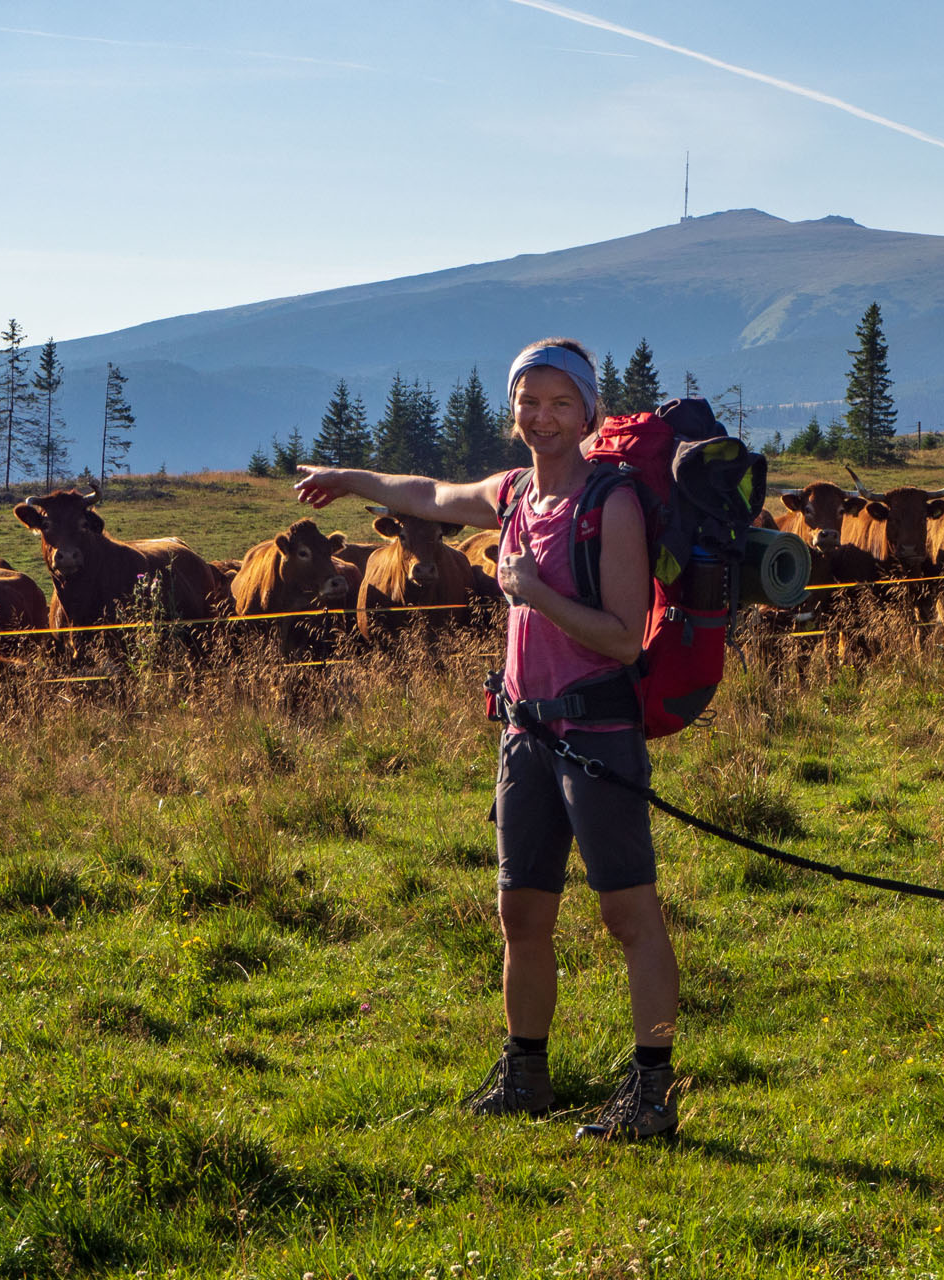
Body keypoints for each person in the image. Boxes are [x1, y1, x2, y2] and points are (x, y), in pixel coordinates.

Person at [292, 337, 680, 1140]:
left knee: (629, 916)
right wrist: (350, 477)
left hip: (598, 730)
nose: (541, 417)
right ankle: (525, 1075)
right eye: (527, 402)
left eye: (559, 403)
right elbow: (430, 491)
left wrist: (534, 593)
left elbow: (622, 640)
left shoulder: (610, 504)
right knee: (520, 914)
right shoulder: (510, 496)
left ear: (588, 413)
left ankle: (652, 1098)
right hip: (525, 734)